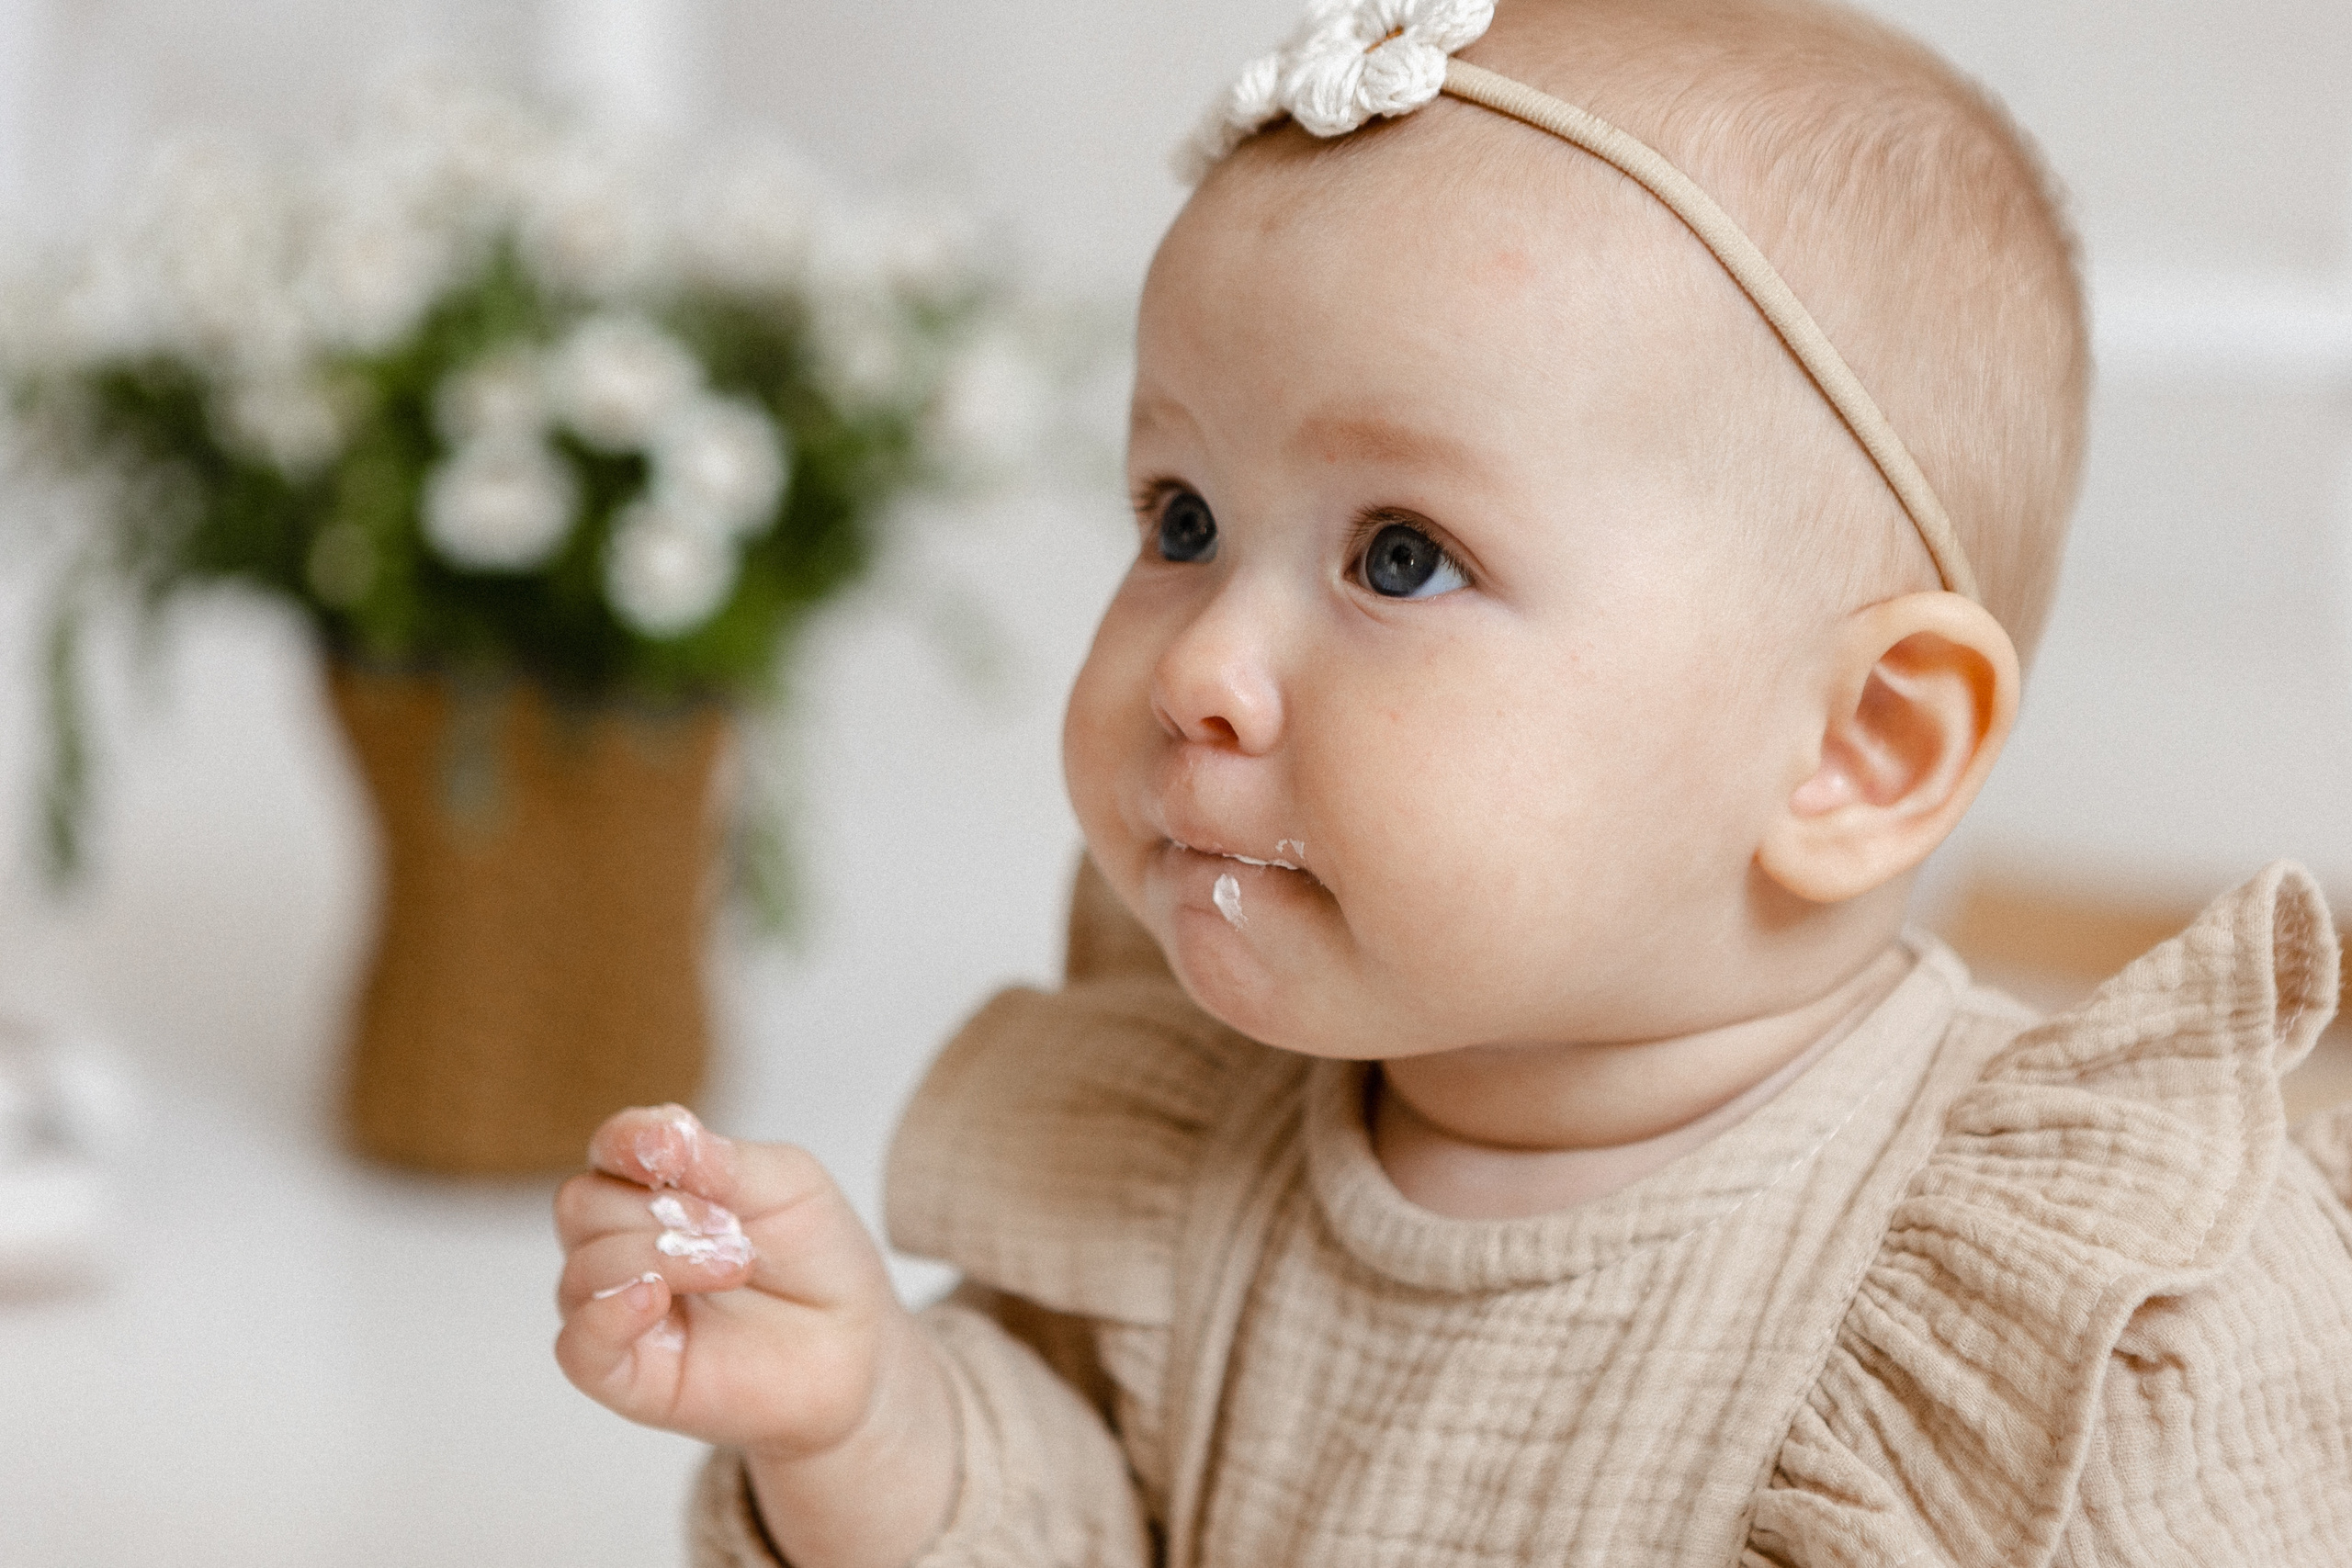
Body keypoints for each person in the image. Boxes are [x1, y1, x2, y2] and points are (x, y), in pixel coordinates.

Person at [552, 1, 2352, 1562]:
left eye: (1399, 555)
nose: (1195, 666)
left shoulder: (2071, 1317)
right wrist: (866, 1426)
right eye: (1180, 518)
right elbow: (1081, 1518)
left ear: (1855, 747)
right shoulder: (1176, 1137)